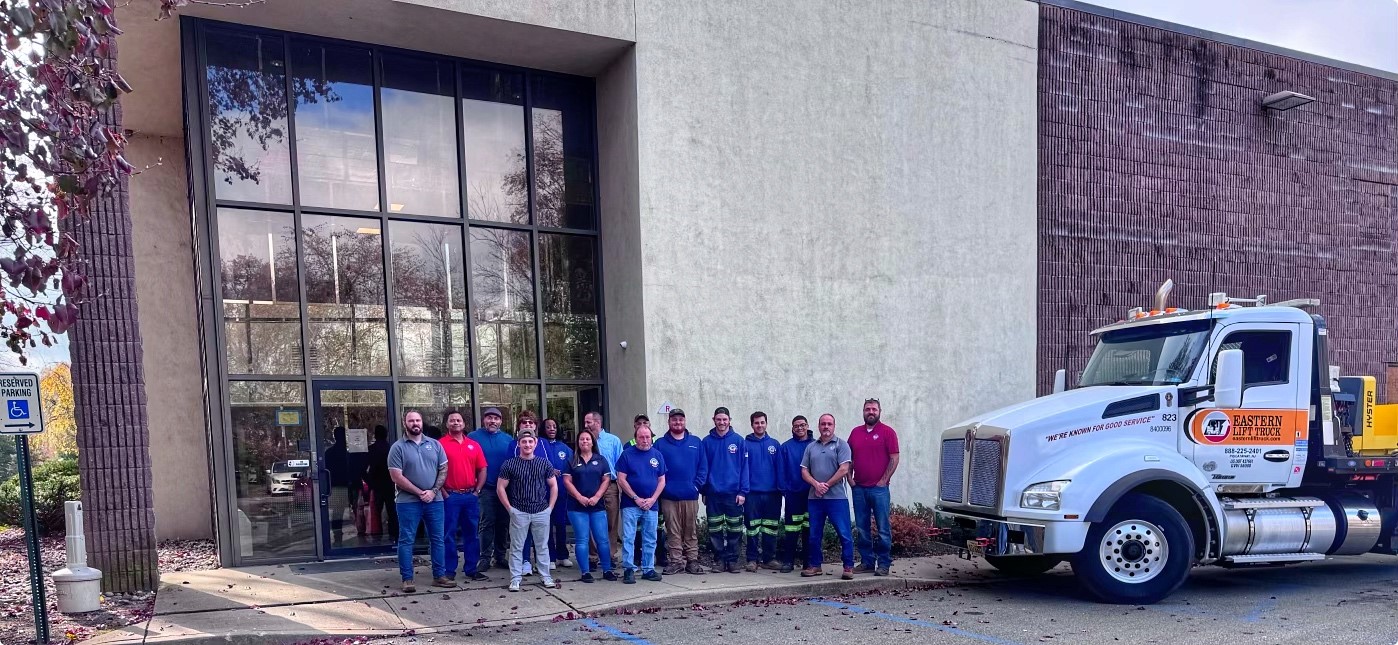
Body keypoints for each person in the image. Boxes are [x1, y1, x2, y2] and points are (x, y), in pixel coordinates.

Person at [387, 410, 451, 593]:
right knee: (406, 540)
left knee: (438, 539)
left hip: (435, 500)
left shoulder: (435, 445)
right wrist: (419, 492)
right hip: (407, 502)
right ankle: (407, 579)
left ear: (422, 422)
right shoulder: (397, 448)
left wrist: (433, 491)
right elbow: (396, 476)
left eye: (418, 420)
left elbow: (444, 469)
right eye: (411, 420)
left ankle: (440, 576)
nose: (415, 423)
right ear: (404, 423)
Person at [496, 428, 559, 592]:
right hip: (519, 511)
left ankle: (546, 576)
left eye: (530, 441)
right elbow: (500, 488)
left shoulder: (544, 463)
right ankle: (515, 578)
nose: (527, 444)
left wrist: (550, 508)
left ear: (536, 443)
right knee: (516, 547)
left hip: (541, 511)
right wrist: (510, 509)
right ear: (519, 444)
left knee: (542, 546)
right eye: (524, 441)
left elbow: (554, 486)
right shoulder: (510, 464)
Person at [848, 398, 899, 576]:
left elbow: (894, 458)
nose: (871, 412)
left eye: (874, 409)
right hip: (859, 489)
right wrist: (850, 480)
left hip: (879, 490)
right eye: (867, 409)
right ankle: (867, 562)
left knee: (883, 528)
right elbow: (849, 459)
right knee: (862, 528)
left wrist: (883, 481)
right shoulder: (855, 433)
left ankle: (884, 564)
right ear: (863, 411)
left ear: (879, 411)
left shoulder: (888, 432)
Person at [654, 408, 707, 575]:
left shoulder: (696, 442)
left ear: (685, 422)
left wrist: (696, 486)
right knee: (673, 531)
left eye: (680, 420)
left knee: (690, 530)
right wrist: (663, 488)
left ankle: (692, 561)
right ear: (669, 422)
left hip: (690, 495)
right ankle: (676, 561)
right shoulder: (660, 444)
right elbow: (655, 469)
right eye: (674, 420)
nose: (677, 422)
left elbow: (703, 467)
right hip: (668, 496)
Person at [801, 413, 854, 581]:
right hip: (815, 498)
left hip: (837, 499)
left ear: (834, 426)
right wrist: (816, 485)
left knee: (844, 533)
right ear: (818, 426)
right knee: (814, 534)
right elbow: (804, 470)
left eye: (829, 424)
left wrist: (826, 485)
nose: (826, 427)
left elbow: (844, 469)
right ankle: (815, 566)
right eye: (823, 424)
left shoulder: (842, 445)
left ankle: (848, 566)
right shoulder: (811, 447)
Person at [439, 409, 489, 582]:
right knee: (448, 534)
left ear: (463, 424)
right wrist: (443, 492)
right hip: (450, 496)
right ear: (447, 424)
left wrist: (477, 491)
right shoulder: (440, 445)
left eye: (458, 420)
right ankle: (449, 570)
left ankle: (471, 568)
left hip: (470, 496)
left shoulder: (473, 445)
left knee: (472, 534)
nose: (455, 423)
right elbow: (434, 471)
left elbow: (482, 468)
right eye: (452, 420)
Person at [562, 429, 617, 583]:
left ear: (593, 442)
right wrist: (579, 497)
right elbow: (567, 481)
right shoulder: (571, 460)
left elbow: (606, 480)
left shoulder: (601, 460)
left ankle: (607, 570)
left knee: (602, 540)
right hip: (576, 507)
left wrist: (597, 496)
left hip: (597, 505)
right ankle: (585, 572)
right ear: (578, 443)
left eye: (587, 439)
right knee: (582, 539)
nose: (584, 442)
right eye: (581, 439)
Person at [615, 425, 666, 584]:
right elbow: (621, 479)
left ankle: (648, 569)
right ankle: (629, 569)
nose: (645, 440)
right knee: (629, 537)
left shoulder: (657, 455)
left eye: (647, 437)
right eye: (641, 437)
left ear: (651, 437)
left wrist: (652, 499)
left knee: (650, 538)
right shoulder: (626, 455)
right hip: (631, 504)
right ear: (635, 438)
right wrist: (636, 498)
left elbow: (662, 481)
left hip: (652, 504)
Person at [701, 406, 748, 573]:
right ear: (714, 419)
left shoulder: (739, 441)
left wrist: (743, 491)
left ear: (729, 420)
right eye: (719, 419)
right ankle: (720, 560)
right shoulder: (706, 442)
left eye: (725, 419)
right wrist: (704, 491)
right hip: (713, 494)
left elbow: (744, 468)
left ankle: (733, 561)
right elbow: (703, 469)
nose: (722, 422)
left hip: (734, 494)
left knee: (735, 529)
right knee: (715, 529)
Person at [469, 408, 514, 573]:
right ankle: (485, 557)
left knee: (503, 523)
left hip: (506, 489)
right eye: (489, 418)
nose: (492, 421)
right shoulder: (473, 437)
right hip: (486, 488)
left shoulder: (508, 440)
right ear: (484, 420)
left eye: (496, 418)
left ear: (501, 421)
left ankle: (500, 556)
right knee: (486, 523)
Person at [742, 411, 782, 571]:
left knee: (770, 527)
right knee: (752, 528)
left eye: (762, 422)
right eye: (756, 423)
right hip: (752, 494)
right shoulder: (745, 444)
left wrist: (782, 489)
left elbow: (780, 469)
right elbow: (742, 469)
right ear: (752, 425)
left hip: (773, 494)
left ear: (766, 423)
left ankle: (769, 558)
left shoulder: (775, 444)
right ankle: (752, 560)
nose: (760, 425)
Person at [585, 412, 624, 567]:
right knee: (592, 521)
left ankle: (610, 555)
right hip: (590, 486)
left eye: (588, 422)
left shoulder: (613, 441)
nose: (586, 425)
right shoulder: (585, 440)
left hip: (610, 486)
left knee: (611, 521)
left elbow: (620, 465)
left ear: (597, 422)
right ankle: (593, 556)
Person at [536, 414, 574, 569]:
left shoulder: (565, 448)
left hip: (561, 493)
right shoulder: (539, 445)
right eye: (548, 427)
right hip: (543, 493)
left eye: (554, 426)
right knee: (547, 525)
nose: (551, 429)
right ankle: (549, 557)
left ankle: (562, 555)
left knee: (560, 524)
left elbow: (572, 468)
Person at [777, 415, 814, 573]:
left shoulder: (815, 445)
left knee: (809, 530)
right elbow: (780, 470)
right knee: (791, 530)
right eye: (796, 426)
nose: (800, 428)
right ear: (792, 428)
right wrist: (785, 490)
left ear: (807, 426)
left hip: (813, 495)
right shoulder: (785, 447)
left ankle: (808, 562)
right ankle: (788, 562)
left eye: (802, 425)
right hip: (793, 495)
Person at [365, 425, 396, 540]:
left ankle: (377, 535)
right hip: (390, 484)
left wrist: (370, 482)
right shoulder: (391, 448)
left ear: (375, 435)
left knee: (376, 511)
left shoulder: (371, 449)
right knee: (392, 511)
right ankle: (393, 535)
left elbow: (365, 468)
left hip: (377, 484)